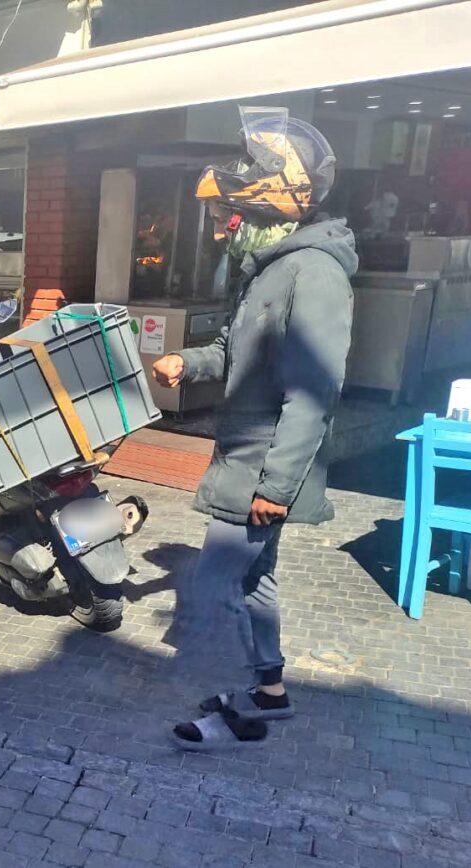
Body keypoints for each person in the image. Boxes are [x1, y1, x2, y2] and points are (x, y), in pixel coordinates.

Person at [152, 108, 356, 751]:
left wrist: (277, 486)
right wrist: (194, 361)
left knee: (213, 587)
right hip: (244, 456)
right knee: (254, 581)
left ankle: (236, 701)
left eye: (223, 218)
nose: (216, 231)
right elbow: (238, 353)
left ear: (260, 210)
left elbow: (314, 390)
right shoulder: (268, 271)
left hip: (263, 465)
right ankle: (268, 691)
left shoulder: (314, 272)